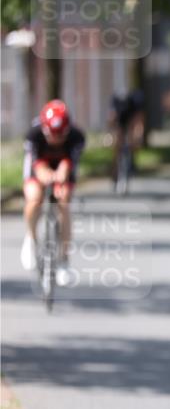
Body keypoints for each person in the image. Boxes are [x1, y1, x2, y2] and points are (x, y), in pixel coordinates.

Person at [20, 100, 86, 286]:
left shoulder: (77, 137)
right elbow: (36, 166)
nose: (55, 140)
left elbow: (68, 164)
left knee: (64, 202)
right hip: (39, 164)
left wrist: (61, 178)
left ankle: (64, 260)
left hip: (63, 165)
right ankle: (31, 239)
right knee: (34, 199)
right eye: (51, 135)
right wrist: (45, 175)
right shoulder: (33, 135)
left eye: (60, 136)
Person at [109, 88, 144, 185]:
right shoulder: (116, 105)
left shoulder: (135, 103)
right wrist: (111, 135)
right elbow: (112, 120)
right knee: (117, 143)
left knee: (134, 139)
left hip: (130, 120)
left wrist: (138, 136)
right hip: (120, 120)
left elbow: (139, 121)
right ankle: (115, 169)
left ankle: (132, 161)